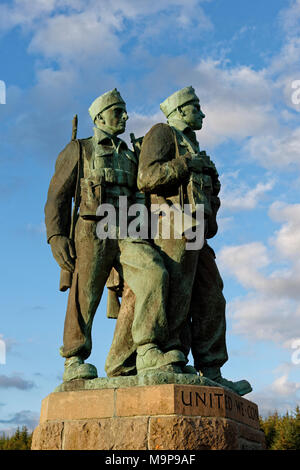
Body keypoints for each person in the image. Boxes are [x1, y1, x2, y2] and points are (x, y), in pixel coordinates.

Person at [44, 88, 186, 382]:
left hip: (128, 230)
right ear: (99, 118)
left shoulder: (130, 154)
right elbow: (57, 196)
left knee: (154, 273)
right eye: (117, 112)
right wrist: (56, 235)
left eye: (124, 111)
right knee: (86, 293)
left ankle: (147, 347)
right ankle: (75, 357)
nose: (124, 117)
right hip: (92, 230)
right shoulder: (79, 150)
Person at [137, 86, 252, 395]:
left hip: (196, 231)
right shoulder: (162, 133)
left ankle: (211, 367)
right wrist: (187, 165)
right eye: (196, 108)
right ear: (181, 111)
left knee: (211, 294)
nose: (202, 114)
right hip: (171, 224)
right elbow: (146, 177)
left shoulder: (195, 146)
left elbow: (209, 193)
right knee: (178, 289)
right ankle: (170, 357)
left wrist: (212, 187)